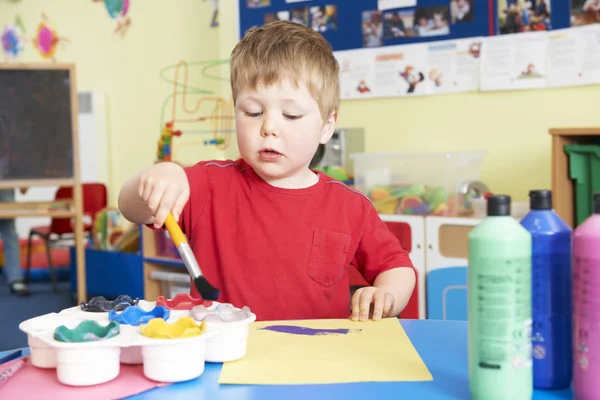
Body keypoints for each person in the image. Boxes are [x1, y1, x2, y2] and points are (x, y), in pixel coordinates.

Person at [118, 20, 416, 322]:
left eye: (291, 115)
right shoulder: (208, 184)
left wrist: (385, 295)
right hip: (226, 358)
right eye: (253, 112)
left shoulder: (350, 207)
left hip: (317, 360)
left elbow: (397, 267)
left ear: (327, 125)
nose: (269, 127)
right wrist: (155, 179)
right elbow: (131, 209)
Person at [0, 188, 31, 296]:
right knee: (10, 236)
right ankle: (15, 280)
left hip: (5, 194)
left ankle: (15, 280)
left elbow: (23, 186)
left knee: (10, 236)